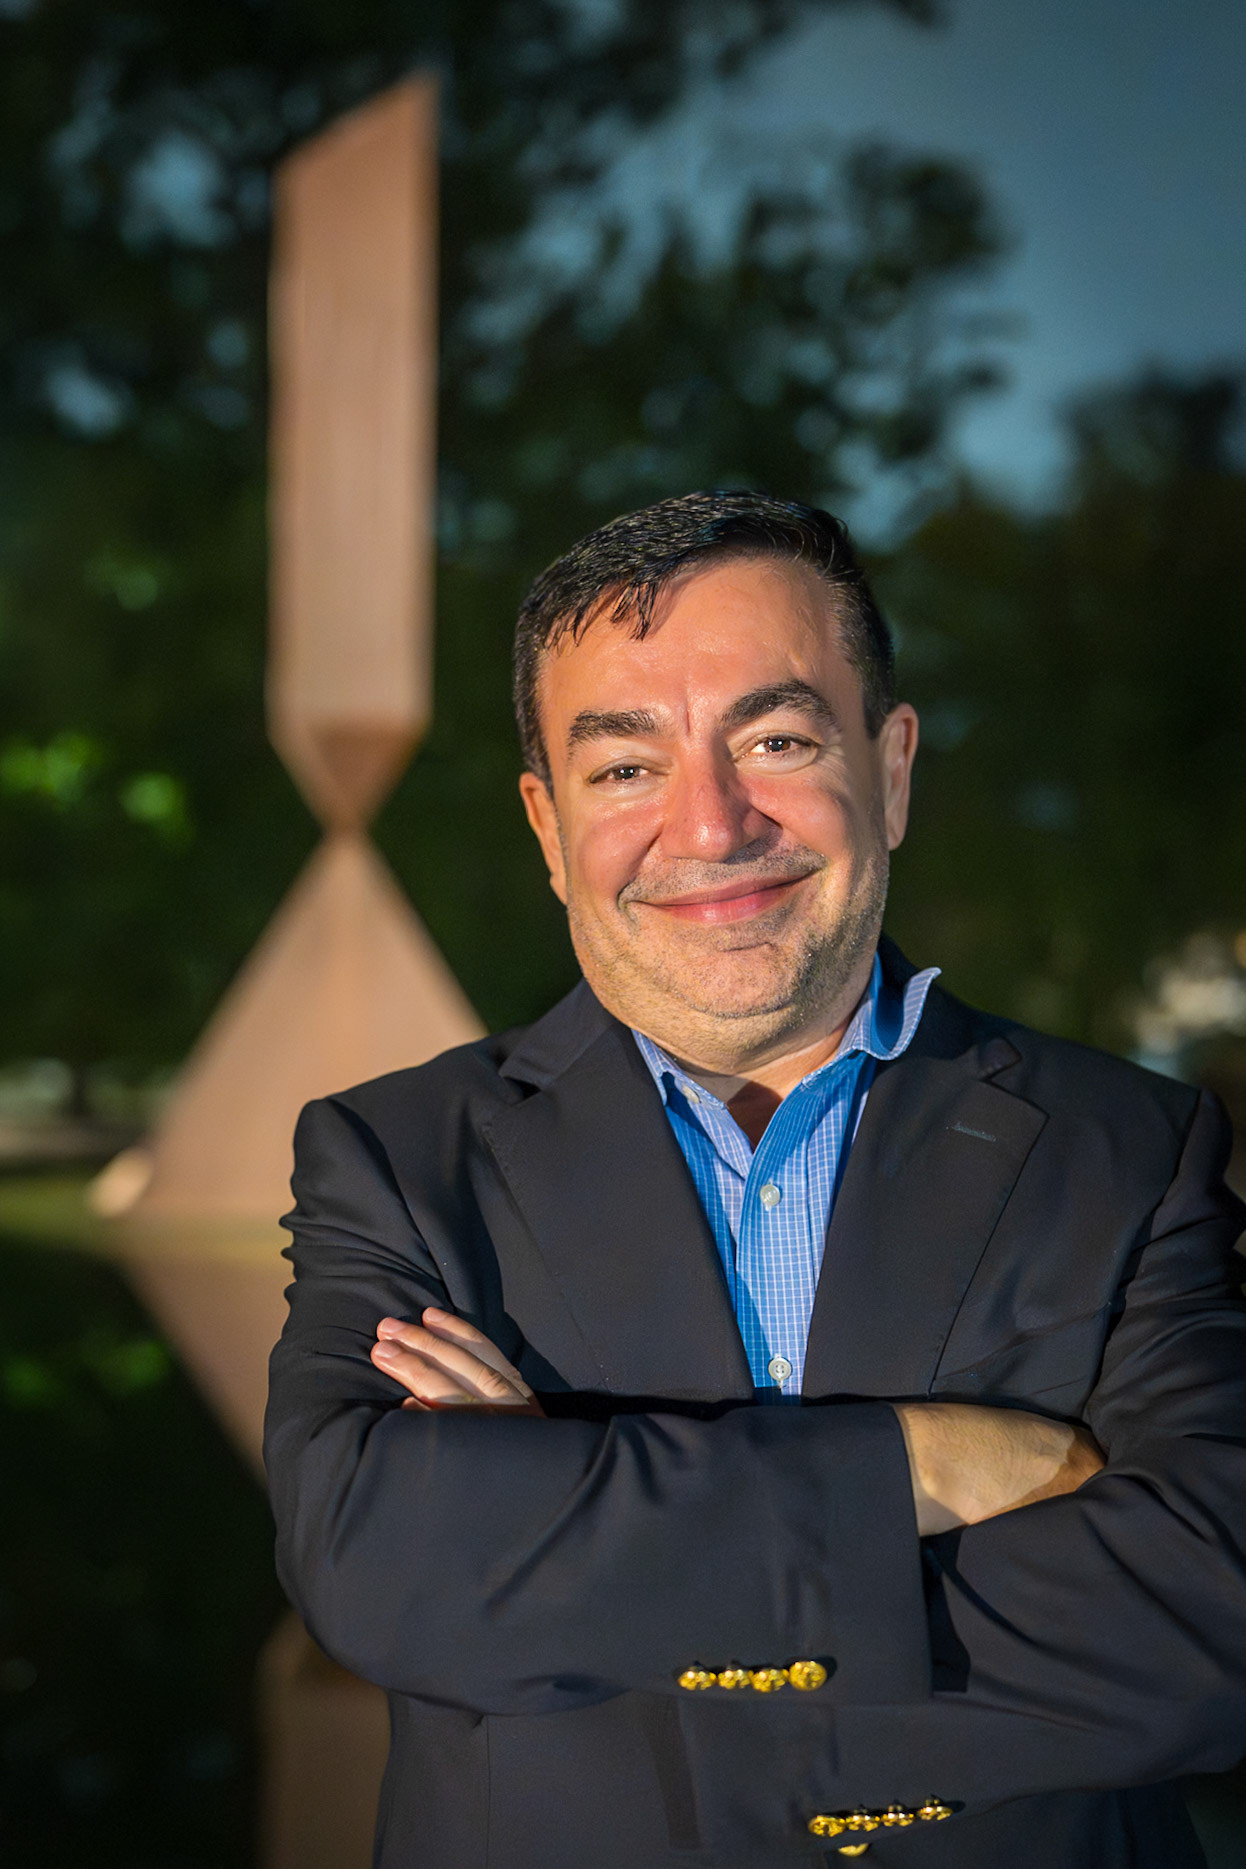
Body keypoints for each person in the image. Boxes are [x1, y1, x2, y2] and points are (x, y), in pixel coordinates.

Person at [264, 490, 1246, 1869]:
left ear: (889, 770)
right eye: (625, 767)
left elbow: (1210, 1619)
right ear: (547, 826)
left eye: (776, 741)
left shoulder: (1131, 1147)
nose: (711, 827)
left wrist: (562, 1517)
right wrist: (916, 1464)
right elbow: (381, 1571)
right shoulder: (398, 1160)